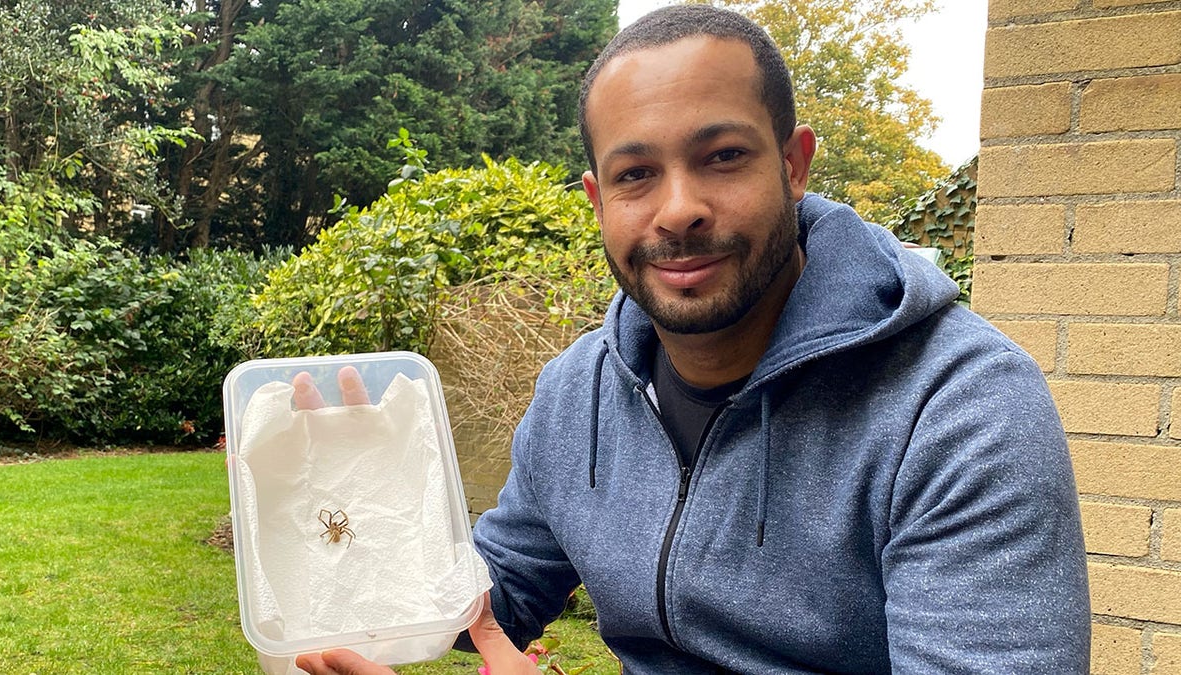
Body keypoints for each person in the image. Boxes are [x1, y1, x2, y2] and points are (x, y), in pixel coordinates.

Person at [302, 4, 1090, 673]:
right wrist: (376, 507)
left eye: (721, 157)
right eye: (635, 174)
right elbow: (490, 594)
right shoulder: (579, 390)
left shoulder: (961, 410)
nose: (677, 209)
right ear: (598, 199)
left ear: (794, 164)